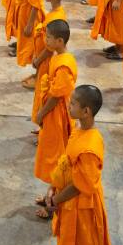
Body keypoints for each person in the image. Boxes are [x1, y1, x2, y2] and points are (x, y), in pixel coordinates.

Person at [44, 84, 113, 245]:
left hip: (83, 209)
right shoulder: (78, 129)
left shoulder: (90, 147)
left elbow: (80, 185)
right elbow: (66, 162)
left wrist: (56, 199)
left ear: (86, 111)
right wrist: (52, 186)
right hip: (68, 202)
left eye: (73, 103)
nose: (68, 105)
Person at [33, 20, 78, 220]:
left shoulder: (64, 65)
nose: (46, 40)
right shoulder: (58, 57)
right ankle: (52, 193)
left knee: (57, 157)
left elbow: (57, 96)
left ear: (59, 41)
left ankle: (54, 204)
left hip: (57, 114)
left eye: (49, 37)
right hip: (53, 112)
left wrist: (42, 113)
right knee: (52, 154)